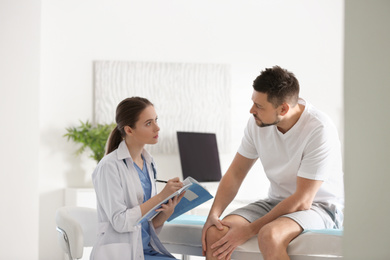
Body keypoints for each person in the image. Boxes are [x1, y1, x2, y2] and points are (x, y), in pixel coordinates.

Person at [201, 66, 344, 260]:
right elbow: (236, 173)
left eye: (259, 106)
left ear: (283, 108)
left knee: (270, 235)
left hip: (318, 207)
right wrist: (214, 214)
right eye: (253, 103)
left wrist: (249, 230)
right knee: (216, 233)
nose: (252, 110)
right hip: (274, 201)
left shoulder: (319, 129)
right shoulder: (256, 123)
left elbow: (303, 200)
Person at [90, 97, 185, 260]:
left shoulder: (148, 162)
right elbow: (120, 222)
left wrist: (165, 213)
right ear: (129, 130)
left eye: (156, 120)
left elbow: (144, 226)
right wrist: (161, 196)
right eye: (149, 123)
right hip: (122, 254)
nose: (157, 128)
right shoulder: (109, 166)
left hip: (145, 250)